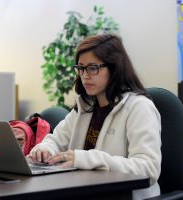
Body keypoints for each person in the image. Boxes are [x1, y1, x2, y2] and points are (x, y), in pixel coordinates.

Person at [27, 34, 162, 199]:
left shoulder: (139, 107)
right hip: (86, 192)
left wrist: (86, 158)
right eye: (81, 68)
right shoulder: (85, 107)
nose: (84, 75)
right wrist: (44, 150)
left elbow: (148, 168)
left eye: (92, 68)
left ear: (115, 68)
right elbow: (55, 140)